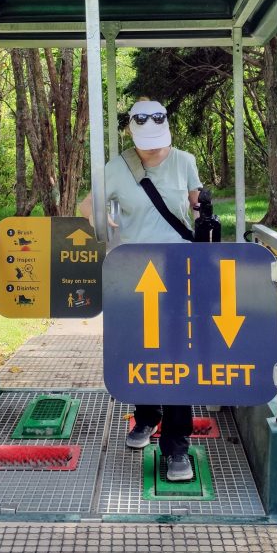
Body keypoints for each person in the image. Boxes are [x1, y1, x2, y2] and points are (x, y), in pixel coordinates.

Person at [78, 98, 201, 481]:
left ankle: (177, 446)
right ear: (132, 132)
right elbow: (87, 205)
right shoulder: (117, 168)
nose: (153, 149)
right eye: (145, 141)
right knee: (142, 348)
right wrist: (107, 227)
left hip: (180, 268)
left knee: (177, 354)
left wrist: (201, 213)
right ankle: (147, 417)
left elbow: (196, 203)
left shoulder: (185, 161)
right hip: (134, 269)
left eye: (158, 141)